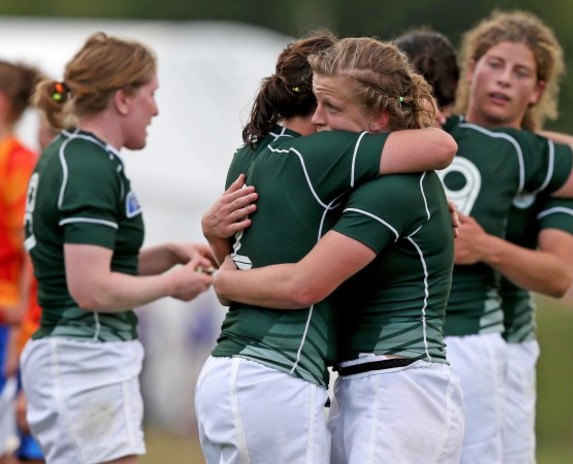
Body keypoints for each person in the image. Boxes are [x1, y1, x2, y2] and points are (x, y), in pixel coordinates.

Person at [195, 32, 458, 464]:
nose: (319, 120)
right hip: (332, 381)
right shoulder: (340, 166)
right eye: (317, 103)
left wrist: (225, 274)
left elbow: (302, 282)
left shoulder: (260, 154)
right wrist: (219, 258)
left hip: (396, 388)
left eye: (332, 106)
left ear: (378, 117)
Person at [20, 32, 215, 464]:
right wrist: (170, 283)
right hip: (83, 356)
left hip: (82, 355)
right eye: (152, 94)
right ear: (123, 98)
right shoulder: (87, 163)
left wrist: (161, 258)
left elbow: (91, 267)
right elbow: (91, 289)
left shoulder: (80, 155)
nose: (157, 109)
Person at [439, 10, 573, 463]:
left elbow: (559, 276)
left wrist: (486, 248)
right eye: (494, 64)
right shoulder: (434, 140)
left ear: (537, 91)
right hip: (407, 340)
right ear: (472, 67)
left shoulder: (555, 173)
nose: (503, 80)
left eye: (520, 73)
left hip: (501, 349)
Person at [0, 59, 43, 464]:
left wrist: (19, 332)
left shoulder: (17, 162)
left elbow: (31, 250)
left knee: (11, 445)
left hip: (7, 322)